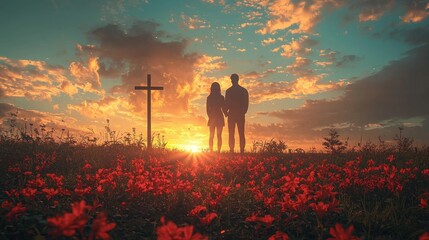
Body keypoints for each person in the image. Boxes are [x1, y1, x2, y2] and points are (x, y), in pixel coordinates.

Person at [225, 73, 249, 154]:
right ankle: (233, 150)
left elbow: (246, 103)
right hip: (235, 114)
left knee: (238, 133)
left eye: (233, 79)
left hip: (236, 114)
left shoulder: (240, 91)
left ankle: (239, 150)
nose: (233, 81)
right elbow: (226, 103)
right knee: (235, 133)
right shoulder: (242, 90)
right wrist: (226, 112)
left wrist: (244, 111)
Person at [206, 82, 226, 153]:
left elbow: (207, 110)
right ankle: (218, 151)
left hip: (213, 118)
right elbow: (224, 108)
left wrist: (210, 116)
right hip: (219, 118)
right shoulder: (221, 97)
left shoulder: (209, 98)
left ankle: (212, 150)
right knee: (218, 135)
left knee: (212, 135)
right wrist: (226, 114)